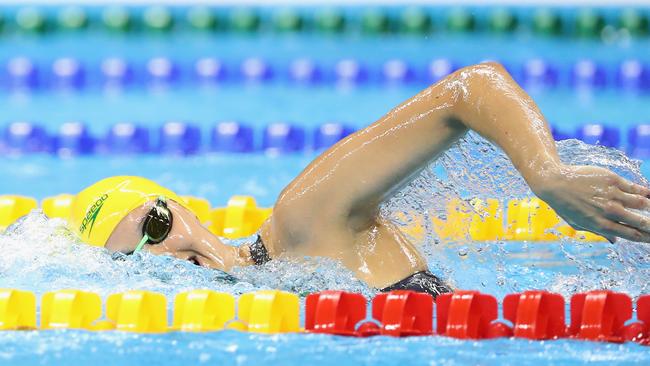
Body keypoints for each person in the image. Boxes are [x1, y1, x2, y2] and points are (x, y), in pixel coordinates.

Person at [67, 62, 650, 297]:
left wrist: (545, 175)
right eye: (136, 259)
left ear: (181, 208)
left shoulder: (301, 220)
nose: (165, 252)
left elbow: (471, 88)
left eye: (157, 224)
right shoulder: (273, 299)